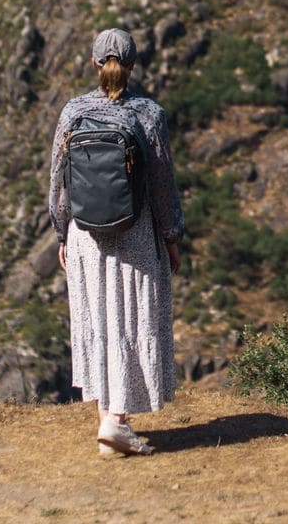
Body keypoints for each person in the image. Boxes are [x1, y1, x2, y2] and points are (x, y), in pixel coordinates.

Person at [49, 27, 184, 457]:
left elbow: (58, 180)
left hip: (85, 235)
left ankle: (109, 421)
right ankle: (117, 423)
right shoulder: (147, 114)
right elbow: (162, 184)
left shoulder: (73, 112)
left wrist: (61, 231)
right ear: (132, 65)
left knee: (99, 321)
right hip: (136, 235)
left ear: (93, 64)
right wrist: (172, 236)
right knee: (130, 318)